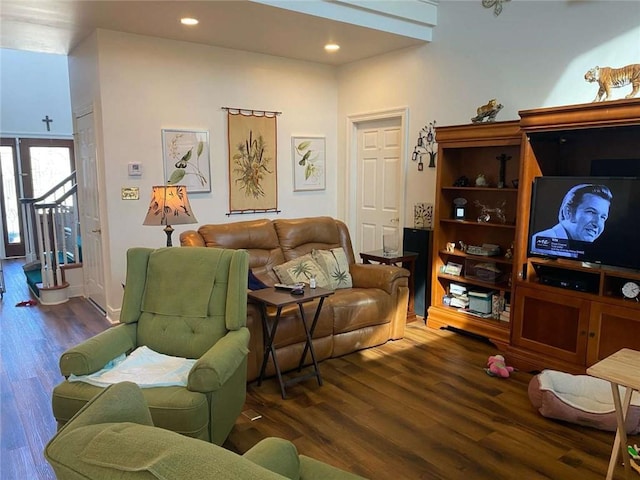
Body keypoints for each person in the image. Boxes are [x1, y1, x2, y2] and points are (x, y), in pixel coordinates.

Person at [531, 183, 613, 257]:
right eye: (591, 212)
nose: (597, 223)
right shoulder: (545, 243)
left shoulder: (574, 249)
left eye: (603, 217)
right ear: (568, 212)